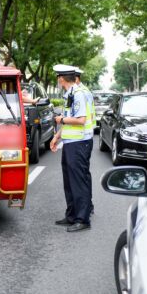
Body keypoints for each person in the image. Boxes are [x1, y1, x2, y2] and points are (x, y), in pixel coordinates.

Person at [49, 64, 96, 232]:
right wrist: (57, 136)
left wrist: (60, 120)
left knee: (78, 182)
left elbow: (81, 119)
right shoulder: (70, 94)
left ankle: (82, 219)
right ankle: (71, 216)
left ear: (62, 79)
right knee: (69, 182)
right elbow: (70, 118)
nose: (58, 80)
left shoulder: (79, 94)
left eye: (58, 77)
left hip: (79, 143)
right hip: (70, 143)